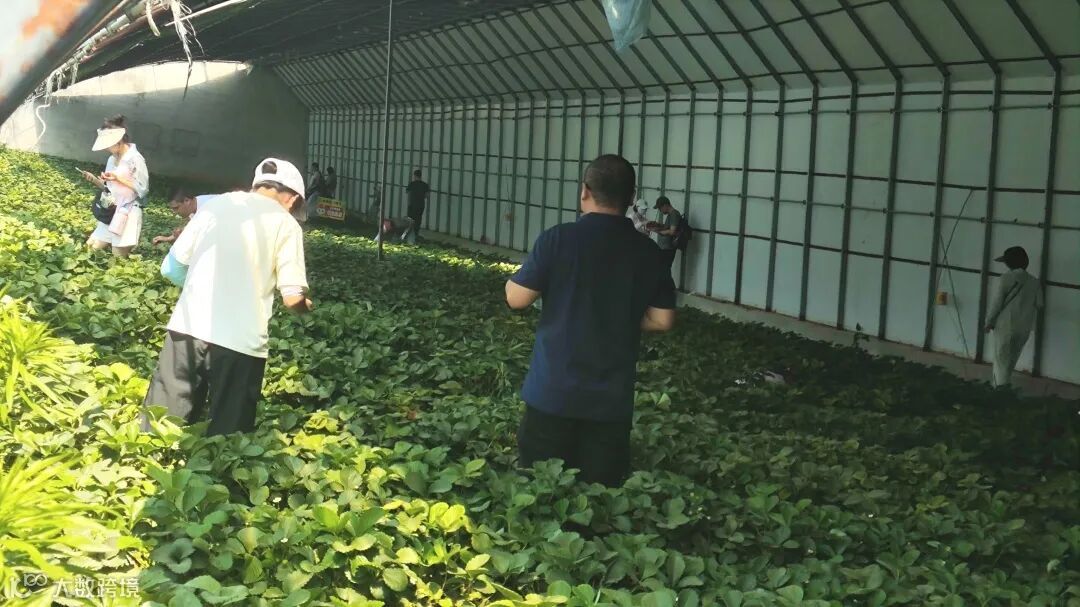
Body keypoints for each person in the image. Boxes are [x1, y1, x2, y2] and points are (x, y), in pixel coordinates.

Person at [505, 154, 676, 487]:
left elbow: (518, 298)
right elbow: (663, 320)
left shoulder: (558, 239)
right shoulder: (648, 252)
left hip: (552, 394)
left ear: (584, 191)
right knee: (600, 497)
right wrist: (617, 315)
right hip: (610, 405)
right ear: (631, 197)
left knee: (539, 491)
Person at [143, 158, 313, 436]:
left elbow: (171, 268)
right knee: (228, 437)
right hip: (240, 342)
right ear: (293, 198)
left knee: (160, 425)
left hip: (187, 329)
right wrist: (306, 306)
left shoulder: (215, 205)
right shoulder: (286, 224)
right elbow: (292, 298)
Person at [81, 115, 149, 258]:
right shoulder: (111, 159)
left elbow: (143, 190)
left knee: (118, 256)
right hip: (111, 209)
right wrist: (95, 180)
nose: (106, 148)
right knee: (90, 247)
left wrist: (118, 178)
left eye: (108, 145)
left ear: (119, 141)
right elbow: (108, 188)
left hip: (127, 212)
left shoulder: (135, 159)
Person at [984, 246, 1043, 388]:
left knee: (1000, 362)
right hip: (1024, 329)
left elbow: (997, 303)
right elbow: (1040, 304)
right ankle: (1004, 387)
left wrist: (988, 322)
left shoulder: (1006, 278)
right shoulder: (1035, 282)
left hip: (1005, 327)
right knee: (1010, 362)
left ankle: (1000, 393)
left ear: (1009, 263)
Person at [152, 188, 218, 245]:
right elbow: (191, 227)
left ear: (187, 201)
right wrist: (168, 238)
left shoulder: (208, 209)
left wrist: (181, 239)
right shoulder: (194, 206)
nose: (174, 212)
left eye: (176, 208)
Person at [649, 196, 682, 273]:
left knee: (664, 270)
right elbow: (668, 227)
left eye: (660, 208)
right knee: (663, 270)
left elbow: (672, 231)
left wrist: (657, 231)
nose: (660, 210)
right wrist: (658, 224)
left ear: (665, 205)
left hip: (668, 248)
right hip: (664, 248)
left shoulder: (674, 214)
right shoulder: (671, 215)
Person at [405, 169, 430, 237]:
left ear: (415, 176)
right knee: (418, 219)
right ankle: (416, 233)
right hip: (421, 205)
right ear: (420, 176)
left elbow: (407, 191)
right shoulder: (425, 185)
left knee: (410, 219)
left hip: (412, 204)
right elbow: (427, 195)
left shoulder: (412, 184)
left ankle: (409, 233)